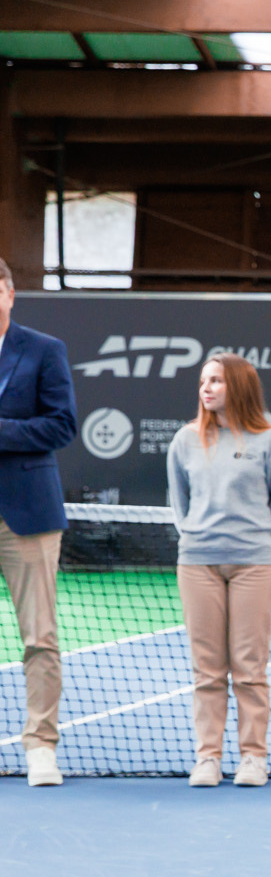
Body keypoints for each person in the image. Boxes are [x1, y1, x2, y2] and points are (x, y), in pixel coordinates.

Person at [168, 354, 271, 788]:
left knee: (248, 668)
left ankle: (252, 758)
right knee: (206, 670)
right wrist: (199, 539)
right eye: (203, 381)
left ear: (239, 388)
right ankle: (207, 758)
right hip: (197, 564)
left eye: (217, 381)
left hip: (255, 566)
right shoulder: (184, 441)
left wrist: (260, 549)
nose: (206, 388)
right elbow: (180, 506)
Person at [0, 261, 76, 787]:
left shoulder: (44, 350)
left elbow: (62, 424)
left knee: (39, 637)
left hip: (26, 513)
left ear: (7, 293)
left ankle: (40, 745)